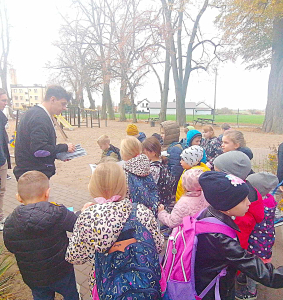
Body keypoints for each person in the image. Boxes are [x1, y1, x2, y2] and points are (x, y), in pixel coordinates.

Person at [196, 171, 283, 300]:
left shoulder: (210, 214)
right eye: (243, 200)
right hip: (214, 291)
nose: (249, 203)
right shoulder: (220, 239)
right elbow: (267, 275)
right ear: (227, 205)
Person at [65, 161, 164, 298]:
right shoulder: (142, 211)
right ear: (124, 184)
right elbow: (158, 247)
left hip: (107, 286)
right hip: (145, 283)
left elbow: (74, 257)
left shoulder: (88, 218)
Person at [3, 171, 92, 300]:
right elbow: (76, 225)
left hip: (33, 277)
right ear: (47, 193)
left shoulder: (11, 221)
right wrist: (82, 213)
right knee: (71, 294)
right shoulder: (58, 212)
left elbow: (10, 246)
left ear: (18, 197)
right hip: (62, 271)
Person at [13, 85, 76, 180]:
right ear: (53, 99)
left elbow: (36, 147)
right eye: (63, 104)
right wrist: (64, 147)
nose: (64, 108)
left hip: (29, 171)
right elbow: (39, 150)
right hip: (33, 175)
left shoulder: (35, 113)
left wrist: (58, 154)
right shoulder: (40, 118)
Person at [235, 172, 279, 299]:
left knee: (252, 268)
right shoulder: (270, 199)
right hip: (265, 240)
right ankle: (245, 278)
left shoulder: (258, 205)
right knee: (253, 265)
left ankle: (251, 291)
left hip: (257, 244)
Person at [214, 151, 264, 251]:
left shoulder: (234, 198)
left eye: (217, 172)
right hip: (241, 239)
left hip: (234, 244)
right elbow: (259, 216)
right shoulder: (252, 190)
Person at [121, 136, 159, 215]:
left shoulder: (125, 171)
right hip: (148, 211)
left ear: (124, 153)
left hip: (133, 214)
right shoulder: (146, 165)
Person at [142, 137, 176, 208]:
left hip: (157, 203)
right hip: (164, 200)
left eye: (145, 152)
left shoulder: (153, 169)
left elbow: (148, 188)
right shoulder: (163, 163)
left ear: (153, 153)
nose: (143, 155)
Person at [160, 120, 185, 186]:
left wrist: (170, 185)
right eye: (161, 133)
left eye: (163, 133)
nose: (161, 135)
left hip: (170, 184)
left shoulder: (175, 149)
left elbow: (176, 170)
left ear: (170, 135)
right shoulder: (164, 145)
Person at [0, 88, 11, 230]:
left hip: (2, 158)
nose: (5, 103)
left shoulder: (2, 118)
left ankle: (0, 217)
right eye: (3, 100)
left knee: (1, 190)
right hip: (0, 159)